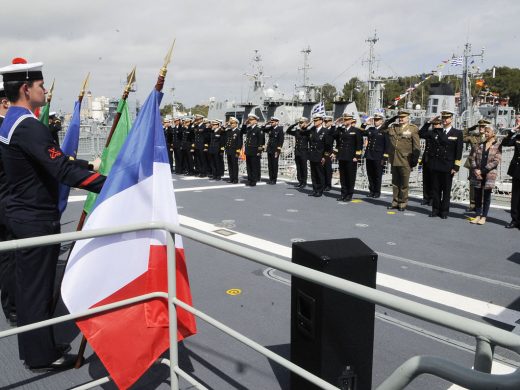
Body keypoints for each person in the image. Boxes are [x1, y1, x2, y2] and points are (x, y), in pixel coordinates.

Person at [0, 58, 106, 371]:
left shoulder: (9, 122)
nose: (45, 90)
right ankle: (40, 356)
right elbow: (60, 169)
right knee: (37, 290)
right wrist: (111, 185)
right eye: (41, 85)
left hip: (21, 213)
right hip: (35, 218)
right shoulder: (28, 126)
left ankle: (38, 348)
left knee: (31, 288)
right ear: (25, 88)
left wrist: (86, 168)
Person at [426, 110, 463, 219]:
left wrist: (456, 166)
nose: (445, 120)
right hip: (436, 165)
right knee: (436, 189)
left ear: (451, 119)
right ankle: (435, 209)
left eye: (447, 118)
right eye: (443, 118)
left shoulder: (457, 133)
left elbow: (459, 151)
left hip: (448, 166)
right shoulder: (437, 131)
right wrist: (429, 122)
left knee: (446, 190)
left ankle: (444, 211)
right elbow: (421, 133)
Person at [0, 81, 16, 327]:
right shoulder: (6, 128)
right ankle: (13, 307)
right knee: (11, 258)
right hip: (8, 202)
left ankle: (12, 306)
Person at [386, 111, 420, 211]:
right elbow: (383, 128)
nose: (401, 119)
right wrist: (392, 119)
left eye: (403, 117)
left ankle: (403, 202)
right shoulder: (393, 127)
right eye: (399, 117)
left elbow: (416, 146)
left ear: (408, 118)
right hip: (394, 159)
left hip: (406, 160)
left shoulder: (413, 129)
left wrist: (414, 160)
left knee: (404, 184)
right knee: (395, 183)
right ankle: (395, 201)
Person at [469, 125, 502, 225]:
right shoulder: (480, 144)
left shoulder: (498, 145)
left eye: (488, 132)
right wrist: (475, 169)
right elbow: (473, 158)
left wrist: (482, 170)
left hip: (489, 174)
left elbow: (496, 161)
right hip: (478, 173)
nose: (486, 133)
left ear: (493, 133)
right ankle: (478, 215)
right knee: (478, 195)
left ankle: (484, 216)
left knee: (487, 196)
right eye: (485, 132)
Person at [331, 113, 363, 201]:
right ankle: (343, 193)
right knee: (343, 177)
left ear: (350, 121)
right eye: (344, 120)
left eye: (346, 120)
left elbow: (359, 145)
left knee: (350, 176)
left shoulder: (356, 130)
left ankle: (349, 194)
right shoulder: (341, 130)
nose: (344, 121)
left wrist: (357, 156)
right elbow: (333, 136)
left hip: (351, 157)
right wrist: (335, 125)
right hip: (342, 156)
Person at [300, 114, 333, 197]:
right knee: (313, 174)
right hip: (312, 155)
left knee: (320, 174)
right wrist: (307, 124)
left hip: (320, 156)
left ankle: (320, 190)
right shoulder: (312, 130)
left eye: (316, 120)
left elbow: (328, 146)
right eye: (314, 120)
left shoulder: (326, 131)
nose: (315, 122)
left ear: (321, 121)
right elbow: (303, 131)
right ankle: (315, 190)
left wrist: (325, 157)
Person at [463, 119, 488, 212]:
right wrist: (469, 129)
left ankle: (481, 204)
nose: (481, 128)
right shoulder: (473, 137)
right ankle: (472, 204)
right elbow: (462, 137)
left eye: (483, 126)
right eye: (480, 126)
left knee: (484, 184)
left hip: (484, 165)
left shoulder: (490, 138)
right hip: (473, 164)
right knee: (473, 185)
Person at [364, 113, 389, 199]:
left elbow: (387, 145)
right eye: (375, 120)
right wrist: (364, 124)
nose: (376, 121)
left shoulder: (384, 131)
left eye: (378, 120)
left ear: (381, 121)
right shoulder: (370, 129)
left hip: (378, 156)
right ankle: (371, 191)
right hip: (369, 155)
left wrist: (385, 157)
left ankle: (377, 192)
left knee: (377, 175)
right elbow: (361, 132)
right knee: (370, 174)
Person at [418, 116, 442, 205]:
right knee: (426, 179)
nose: (434, 126)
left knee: (434, 180)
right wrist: (428, 122)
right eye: (433, 124)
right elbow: (420, 133)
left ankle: (432, 198)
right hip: (427, 159)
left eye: (436, 124)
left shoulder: (442, 133)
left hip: (435, 160)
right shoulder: (430, 133)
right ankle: (426, 197)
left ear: (440, 124)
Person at [501, 123, 520, 229]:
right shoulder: (517, 137)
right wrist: (513, 130)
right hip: (517, 170)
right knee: (515, 197)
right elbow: (505, 143)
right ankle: (515, 220)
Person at [240, 113, 265, 186]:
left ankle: (254, 180)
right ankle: (250, 179)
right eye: (249, 120)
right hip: (248, 150)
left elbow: (260, 141)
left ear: (256, 121)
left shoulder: (258, 129)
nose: (250, 121)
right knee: (249, 166)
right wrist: (244, 124)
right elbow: (242, 132)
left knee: (254, 166)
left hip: (254, 151)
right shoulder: (248, 129)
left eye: (251, 120)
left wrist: (259, 151)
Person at [286, 117, 309, 188]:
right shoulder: (297, 131)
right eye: (300, 123)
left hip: (304, 152)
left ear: (305, 123)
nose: (300, 124)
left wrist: (305, 127)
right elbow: (288, 131)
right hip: (297, 151)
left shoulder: (307, 131)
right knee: (298, 167)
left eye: (302, 122)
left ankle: (304, 182)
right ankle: (300, 181)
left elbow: (306, 133)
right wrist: (295, 124)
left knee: (304, 167)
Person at [262, 116, 284, 184]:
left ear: (277, 122)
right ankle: (270, 178)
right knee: (270, 165)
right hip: (269, 149)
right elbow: (263, 129)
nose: (272, 123)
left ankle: (274, 179)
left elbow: (281, 140)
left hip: (275, 150)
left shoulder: (280, 129)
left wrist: (278, 150)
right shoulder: (270, 128)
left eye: (273, 122)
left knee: (274, 164)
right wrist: (266, 123)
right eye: (271, 122)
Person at [224, 117, 242, 184]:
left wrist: (238, 151)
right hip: (229, 150)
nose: (231, 124)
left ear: (236, 124)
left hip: (234, 151)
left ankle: (235, 179)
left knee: (234, 165)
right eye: (230, 123)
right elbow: (223, 131)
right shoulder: (229, 131)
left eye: (232, 123)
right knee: (230, 165)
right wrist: (226, 125)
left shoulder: (238, 131)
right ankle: (231, 178)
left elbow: (239, 142)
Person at [322, 115, 336, 191]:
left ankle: (328, 185)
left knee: (327, 169)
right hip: (321, 151)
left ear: (330, 122)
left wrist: (334, 152)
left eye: (327, 121)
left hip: (328, 152)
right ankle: (323, 184)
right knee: (322, 168)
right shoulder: (323, 130)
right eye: (325, 121)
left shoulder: (333, 130)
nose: (326, 123)